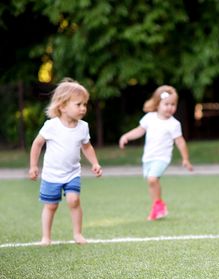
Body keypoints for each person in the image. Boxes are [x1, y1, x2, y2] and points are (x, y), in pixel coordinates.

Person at [29, 78, 102, 246]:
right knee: (51, 206)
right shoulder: (51, 126)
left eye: (85, 104)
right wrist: (33, 166)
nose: (83, 108)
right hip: (51, 174)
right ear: (62, 106)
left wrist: (95, 163)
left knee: (73, 200)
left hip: (72, 173)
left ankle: (77, 233)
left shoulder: (83, 127)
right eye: (78, 104)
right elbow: (37, 144)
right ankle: (46, 237)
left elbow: (87, 147)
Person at [119, 85, 193, 221]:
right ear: (157, 104)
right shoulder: (149, 118)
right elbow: (139, 130)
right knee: (151, 182)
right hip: (148, 157)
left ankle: (158, 205)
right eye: (166, 104)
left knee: (152, 179)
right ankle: (157, 206)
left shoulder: (174, 124)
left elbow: (180, 142)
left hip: (162, 157)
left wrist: (185, 159)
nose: (170, 107)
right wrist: (126, 136)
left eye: (173, 104)